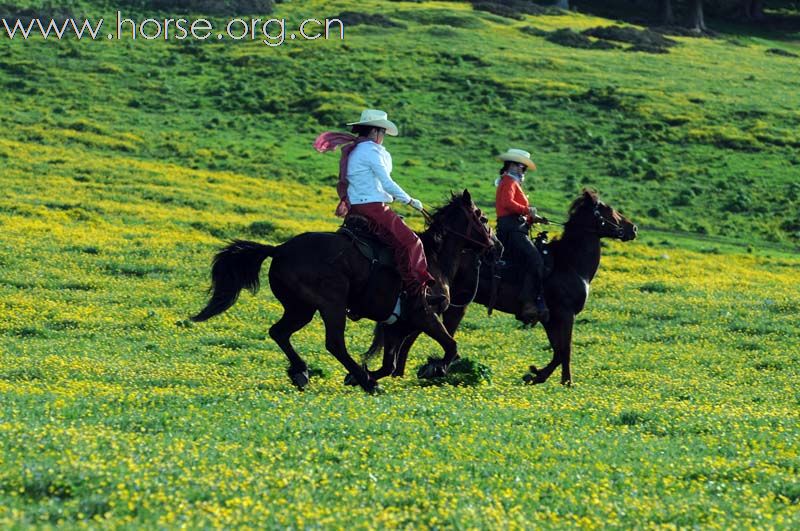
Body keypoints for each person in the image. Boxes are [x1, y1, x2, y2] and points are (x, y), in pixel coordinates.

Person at [314, 109, 440, 313]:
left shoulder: (357, 150)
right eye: (382, 132)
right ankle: (418, 290)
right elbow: (387, 182)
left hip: (358, 206)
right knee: (411, 241)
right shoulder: (371, 151)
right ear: (374, 131)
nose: (383, 137)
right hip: (372, 207)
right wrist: (409, 200)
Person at [494, 148, 550, 323]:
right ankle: (528, 302)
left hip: (515, 227)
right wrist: (527, 210)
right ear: (512, 165)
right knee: (536, 259)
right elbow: (507, 204)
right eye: (521, 166)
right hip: (513, 230)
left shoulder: (511, 182)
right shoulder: (509, 181)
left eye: (524, 168)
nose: (523, 170)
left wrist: (533, 218)